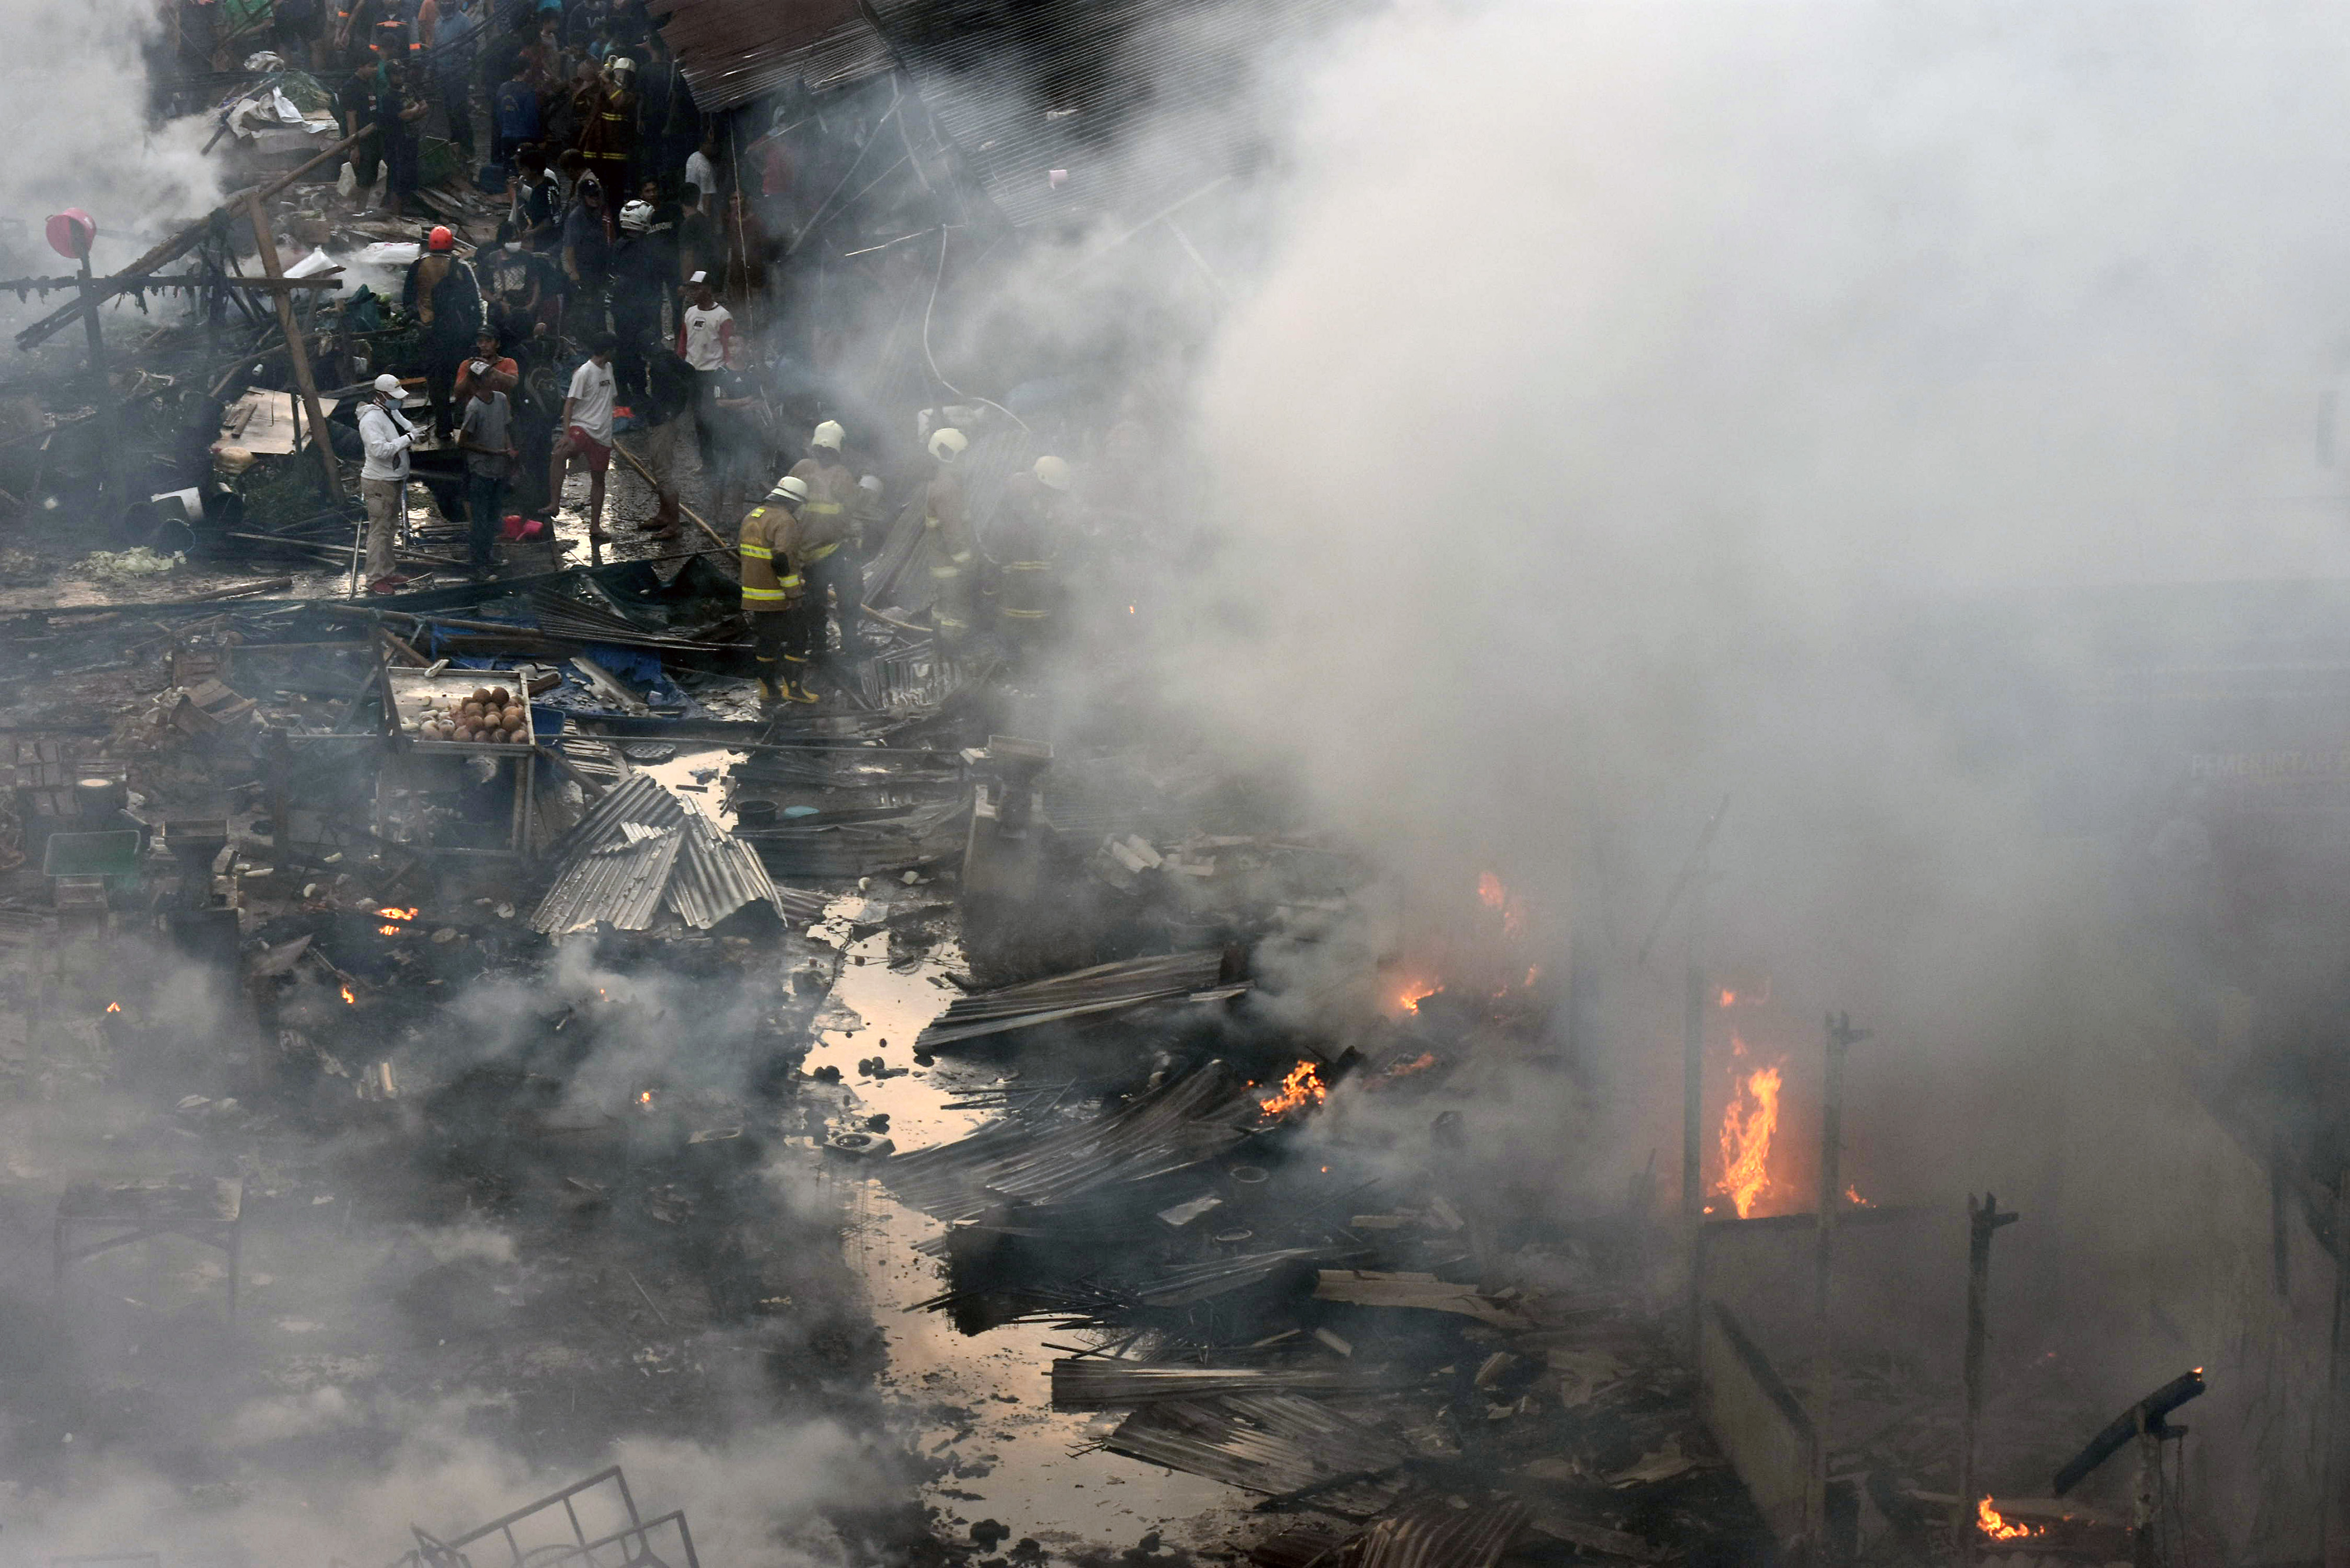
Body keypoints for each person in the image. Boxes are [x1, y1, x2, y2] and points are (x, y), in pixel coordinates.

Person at [787, 420, 871, 654]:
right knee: (850, 597)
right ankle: (851, 645)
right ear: (839, 447)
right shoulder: (842, 475)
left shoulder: (801, 468)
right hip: (836, 550)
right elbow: (857, 507)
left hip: (806, 553)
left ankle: (818, 647)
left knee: (814, 602)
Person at [739, 474, 816, 707]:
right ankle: (794, 689)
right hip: (777, 596)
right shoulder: (785, 521)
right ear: (793, 502)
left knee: (767, 641)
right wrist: (793, 594)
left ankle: (768, 689)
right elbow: (781, 560)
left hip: (753, 595)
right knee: (799, 638)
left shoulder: (752, 516)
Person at [401, 225, 482, 439]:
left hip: (430, 334)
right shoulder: (461, 267)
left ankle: (443, 428)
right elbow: (474, 301)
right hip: (458, 334)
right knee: (462, 377)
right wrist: (476, 331)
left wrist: (418, 319)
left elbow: (407, 299)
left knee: (436, 383)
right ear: (451, 245)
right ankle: (464, 424)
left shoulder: (418, 266)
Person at [993, 455, 1072, 669]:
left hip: (1026, 586)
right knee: (1021, 635)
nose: (1054, 498)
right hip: (1022, 585)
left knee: (1020, 634)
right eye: (1053, 493)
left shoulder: (1029, 498)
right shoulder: (1020, 503)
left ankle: (1017, 667)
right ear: (1042, 482)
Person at [548, 335, 618, 541]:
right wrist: (566, 432)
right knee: (559, 454)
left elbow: (611, 397)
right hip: (583, 427)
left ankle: (595, 527)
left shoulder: (609, 369)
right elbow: (569, 403)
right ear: (606, 351)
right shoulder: (585, 372)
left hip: (603, 432)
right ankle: (554, 504)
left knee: (599, 479)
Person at [358, 373, 418, 592]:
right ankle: (374, 579)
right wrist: (408, 439)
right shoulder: (370, 419)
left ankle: (387, 572)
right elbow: (380, 450)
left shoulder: (389, 412)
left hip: (392, 479)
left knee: (390, 528)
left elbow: (406, 425)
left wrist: (410, 430)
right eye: (393, 397)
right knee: (379, 531)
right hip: (379, 481)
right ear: (381, 396)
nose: (398, 400)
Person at [632, 347, 697, 540]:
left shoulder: (660, 367)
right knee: (659, 470)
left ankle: (674, 525)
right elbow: (689, 372)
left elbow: (680, 388)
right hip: (663, 421)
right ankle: (664, 515)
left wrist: (671, 412)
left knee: (663, 473)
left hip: (664, 424)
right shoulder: (667, 359)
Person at [456, 371, 518, 576]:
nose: (495, 379)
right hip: (481, 470)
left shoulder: (500, 399)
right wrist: (493, 452)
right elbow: (463, 442)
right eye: (489, 377)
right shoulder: (474, 408)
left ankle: (489, 555)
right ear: (478, 382)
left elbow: (506, 428)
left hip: (499, 469)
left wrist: (509, 450)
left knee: (494, 516)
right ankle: (478, 561)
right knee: (480, 518)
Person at [608, 199, 669, 402]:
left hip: (623, 309)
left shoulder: (620, 246)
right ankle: (639, 391)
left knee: (625, 349)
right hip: (640, 311)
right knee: (637, 351)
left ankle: (625, 390)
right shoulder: (645, 249)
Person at [921, 427, 976, 649]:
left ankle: (939, 655)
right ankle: (952, 660)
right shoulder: (948, 487)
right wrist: (967, 563)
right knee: (956, 618)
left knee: (942, 610)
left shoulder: (938, 481)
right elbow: (953, 531)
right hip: (952, 567)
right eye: (963, 456)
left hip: (940, 564)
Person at [576, 55, 639, 199]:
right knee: (593, 192)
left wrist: (608, 83)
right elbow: (580, 103)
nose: (622, 78)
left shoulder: (631, 97)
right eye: (619, 74)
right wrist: (592, 80)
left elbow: (619, 103)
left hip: (617, 154)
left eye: (627, 76)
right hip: (595, 151)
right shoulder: (603, 90)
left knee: (615, 194)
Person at [375, 58, 429, 217]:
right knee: (396, 178)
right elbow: (404, 115)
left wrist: (414, 111)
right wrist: (415, 110)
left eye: (402, 74)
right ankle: (396, 214)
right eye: (396, 75)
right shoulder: (388, 96)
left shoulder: (409, 89)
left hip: (412, 138)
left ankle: (407, 209)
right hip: (396, 142)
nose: (400, 77)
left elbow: (425, 107)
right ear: (390, 76)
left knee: (410, 175)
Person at [560, 172, 612, 330]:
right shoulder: (576, 217)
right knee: (585, 311)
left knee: (598, 309)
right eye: (591, 196)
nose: (595, 198)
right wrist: (574, 274)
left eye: (597, 195)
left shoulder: (597, 213)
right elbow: (569, 248)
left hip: (598, 271)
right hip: (584, 272)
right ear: (583, 197)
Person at [338, 61, 382, 207]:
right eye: (371, 66)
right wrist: (354, 147)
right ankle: (341, 206)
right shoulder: (351, 87)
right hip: (361, 140)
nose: (375, 69)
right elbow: (351, 119)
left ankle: (360, 211)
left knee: (369, 180)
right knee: (362, 180)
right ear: (360, 66)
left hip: (373, 139)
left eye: (376, 66)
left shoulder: (369, 83)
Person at [492, 55, 541, 167]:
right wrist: (539, 138)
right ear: (526, 71)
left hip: (506, 136)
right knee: (527, 168)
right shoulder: (528, 90)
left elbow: (499, 114)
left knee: (510, 168)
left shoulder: (502, 88)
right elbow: (531, 116)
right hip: (525, 137)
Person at [454, 324, 518, 404]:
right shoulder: (467, 364)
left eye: (488, 341)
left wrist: (490, 370)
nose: (483, 345)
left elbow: (514, 383)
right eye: (480, 341)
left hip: (500, 412)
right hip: (475, 413)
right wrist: (470, 375)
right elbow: (458, 394)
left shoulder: (508, 363)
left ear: (497, 344)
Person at [675, 183, 715, 284]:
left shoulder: (687, 225)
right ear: (698, 199)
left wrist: (686, 283)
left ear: (680, 201)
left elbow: (688, 256)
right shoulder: (704, 220)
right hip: (707, 274)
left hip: (695, 278)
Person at [683, 125, 718, 214]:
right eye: (712, 145)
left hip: (691, 210)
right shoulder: (705, 166)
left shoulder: (693, 157)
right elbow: (707, 196)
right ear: (704, 144)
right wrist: (706, 218)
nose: (715, 148)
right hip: (701, 212)